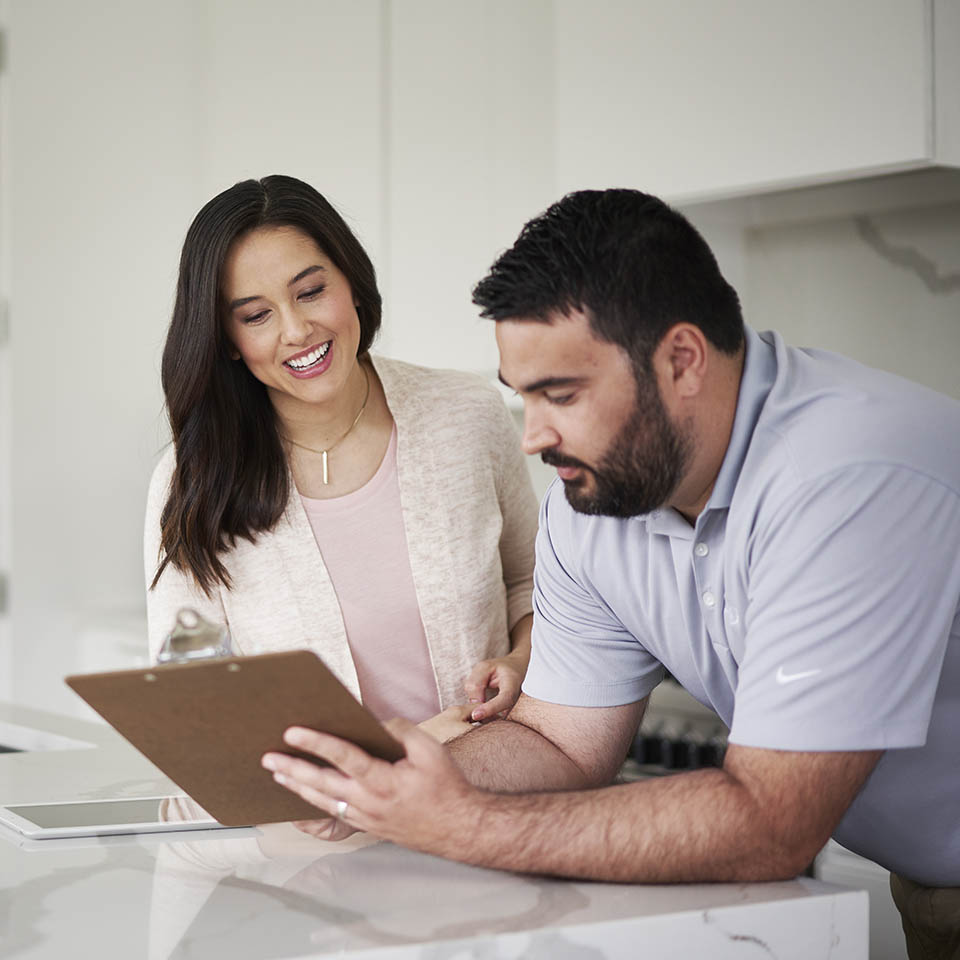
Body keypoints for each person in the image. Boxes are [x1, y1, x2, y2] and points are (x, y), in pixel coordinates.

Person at [262, 189, 960, 958]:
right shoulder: (595, 497)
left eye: (560, 394)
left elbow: (770, 826)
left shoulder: (849, 476)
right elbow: (560, 742)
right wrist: (388, 786)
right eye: (522, 397)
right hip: (932, 889)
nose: (533, 438)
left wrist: (463, 821)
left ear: (681, 361)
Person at [145, 175, 538, 746]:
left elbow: (532, 584)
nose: (297, 330)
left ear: (350, 281)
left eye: (310, 292)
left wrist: (523, 658)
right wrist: (401, 753)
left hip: (489, 798)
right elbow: (194, 704)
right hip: (310, 829)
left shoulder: (467, 414)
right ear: (227, 338)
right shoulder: (192, 479)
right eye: (256, 315)